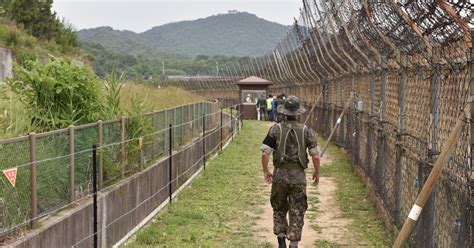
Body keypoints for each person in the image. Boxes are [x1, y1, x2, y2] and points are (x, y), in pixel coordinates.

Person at [260, 96, 321, 248]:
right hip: (298, 177)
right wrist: (317, 172)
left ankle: (281, 237)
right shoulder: (307, 131)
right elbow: (315, 155)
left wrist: (266, 171)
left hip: (280, 175)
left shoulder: (275, 129)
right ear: (298, 113)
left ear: (284, 113)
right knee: (297, 210)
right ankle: (293, 243)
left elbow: (265, 153)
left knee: (279, 207)